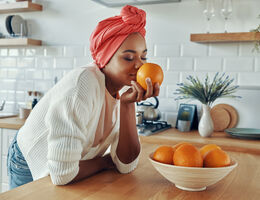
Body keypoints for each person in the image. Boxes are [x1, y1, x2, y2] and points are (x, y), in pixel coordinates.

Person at [7, 5, 160, 189]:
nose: (140, 66)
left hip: (70, 166)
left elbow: (126, 165)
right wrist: (104, 162)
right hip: (28, 159)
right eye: (128, 58)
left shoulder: (120, 93)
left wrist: (128, 105)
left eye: (144, 57)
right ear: (105, 58)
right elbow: (63, 174)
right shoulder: (83, 83)